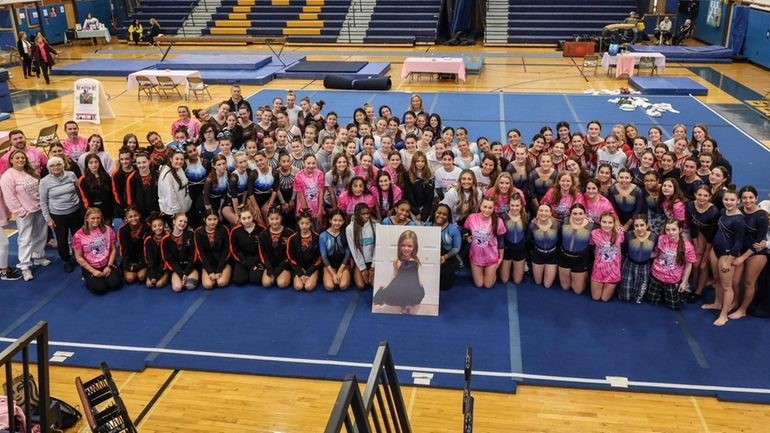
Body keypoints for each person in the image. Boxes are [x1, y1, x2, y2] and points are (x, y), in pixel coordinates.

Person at [1, 150, 50, 281]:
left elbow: (37, 188)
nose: (20, 160)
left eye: (22, 158)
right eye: (17, 158)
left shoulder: (29, 171)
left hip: (38, 209)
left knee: (40, 234)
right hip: (25, 213)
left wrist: (42, 204)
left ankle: (38, 256)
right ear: (11, 160)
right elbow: (9, 197)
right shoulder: (8, 176)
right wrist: (20, 211)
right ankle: (25, 266)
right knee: (25, 239)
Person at [729, 186, 768, 320]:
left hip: (757, 252)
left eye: (750, 197)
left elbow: (758, 242)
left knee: (749, 283)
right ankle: (734, 301)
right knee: (734, 281)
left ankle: (743, 309)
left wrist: (742, 258)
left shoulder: (761, 216)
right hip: (741, 250)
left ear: (756, 198)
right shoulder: (739, 211)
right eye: (744, 198)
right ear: (740, 199)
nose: (747, 200)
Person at [39, 156, 81, 273]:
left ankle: (79, 257)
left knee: (78, 237)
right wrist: (48, 219)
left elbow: (78, 190)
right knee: (62, 240)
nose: (56, 167)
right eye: (52, 166)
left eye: (58, 164)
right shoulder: (44, 181)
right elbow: (43, 202)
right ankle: (66, 261)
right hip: (57, 215)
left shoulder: (71, 175)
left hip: (75, 212)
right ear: (48, 168)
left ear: (63, 165)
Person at [645, 219, 697, 310]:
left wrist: (684, 282)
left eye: (674, 229)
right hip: (657, 275)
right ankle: (661, 293)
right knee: (651, 301)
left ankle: (673, 294)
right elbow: (657, 253)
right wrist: (644, 254)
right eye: (668, 230)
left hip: (672, 279)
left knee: (674, 306)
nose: (670, 232)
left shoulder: (687, 246)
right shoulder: (661, 238)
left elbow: (689, 265)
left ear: (680, 230)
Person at [373, 230, 426, 314]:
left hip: (412, 285)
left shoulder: (416, 260)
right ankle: (402, 306)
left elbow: (417, 273)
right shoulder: (397, 261)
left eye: (410, 246)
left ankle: (407, 306)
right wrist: (386, 284)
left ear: (415, 247)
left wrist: (421, 283)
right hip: (400, 285)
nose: (406, 248)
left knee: (415, 294)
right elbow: (394, 274)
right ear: (399, 246)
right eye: (403, 245)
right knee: (397, 293)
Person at [72, 208, 122, 294]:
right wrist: (93, 271)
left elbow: (113, 249)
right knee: (100, 289)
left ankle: (105, 276)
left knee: (115, 285)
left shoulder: (107, 230)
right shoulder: (78, 235)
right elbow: (78, 257)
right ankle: (87, 277)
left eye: (98, 218)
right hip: (91, 266)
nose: (96, 220)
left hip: (107, 263)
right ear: (87, 219)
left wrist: (109, 266)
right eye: (93, 218)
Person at [464, 197, 506, 289]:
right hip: (476, 256)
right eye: (485, 207)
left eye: (490, 208)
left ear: (494, 208)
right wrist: (467, 237)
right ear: (480, 206)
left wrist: (501, 258)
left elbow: (501, 241)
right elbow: (465, 230)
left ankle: (493, 274)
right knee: (479, 285)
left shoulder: (498, 221)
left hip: (491, 257)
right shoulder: (472, 218)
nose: (487, 210)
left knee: (488, 285)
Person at [618, 214, 656, 303]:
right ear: (633, 226)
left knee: (638, 298)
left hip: (644, 267)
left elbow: (658, 249)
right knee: (624, 297)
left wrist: (653, 255)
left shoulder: (654, 237)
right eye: (636, 225)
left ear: (647, 225)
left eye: (642, 225)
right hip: (629, 265)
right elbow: (623, 248)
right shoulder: (629, 235)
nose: (639, 228)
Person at [557, 204, 593, 294]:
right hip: (564, 256)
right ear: (570, 214)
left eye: (580, 214)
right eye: (575, 213)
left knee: (577, 291)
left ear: (585, 214)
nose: (578, 216)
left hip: (581, 259)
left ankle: (585, 277)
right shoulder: (565, 221)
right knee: (565, 287)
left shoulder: (591, 225)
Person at [589, 212, 624, 302]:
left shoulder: (619, 233)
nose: (607, 225)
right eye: (604, 222)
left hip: (613, 271)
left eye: (610, 222)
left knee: (604, 299)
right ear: (600, 222)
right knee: (595, 298)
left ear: (613, 223)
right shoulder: (594, 233)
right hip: (598, 269)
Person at [194, 210, 232, 290]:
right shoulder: (198, 232)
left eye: (215, 219)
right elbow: (201, 254)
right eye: (209, 219)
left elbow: (226, 251)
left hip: (222, 262)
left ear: (218, 219)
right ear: (204, 220)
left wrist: (219, 269)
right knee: (208, 285)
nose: (212, 222)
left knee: (221, 283)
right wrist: (209, 271)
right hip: (208, 263)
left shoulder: (224, 229)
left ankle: (228, 271)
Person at [162, 212, 198, 292]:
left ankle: (191, 276)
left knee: (190, 285)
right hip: (177, 268)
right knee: (177, 288)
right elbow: (169, 259)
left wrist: (187, 272)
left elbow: (194, 256)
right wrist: (181, 274)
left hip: (190, 267)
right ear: (174, 221)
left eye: (185, 222)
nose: (183, 223)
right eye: (180, 221)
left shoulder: (191, 235)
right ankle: (179, 278)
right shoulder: (166, 240)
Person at [258, 206, 293, 288]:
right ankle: (273, 274)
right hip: (270, 264)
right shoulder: (263, 234)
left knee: (281, 284)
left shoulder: (289, 233)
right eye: (272, 219)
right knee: (266, 284)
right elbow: (262, 253)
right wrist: (269, 268)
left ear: (281, 218)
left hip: (284, 264)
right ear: (268, 219)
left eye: (277, 219)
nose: (274, 222)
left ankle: (288, 274)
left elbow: (290, 254)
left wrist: (278, 270)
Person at [286, 210, 321, 291]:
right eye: (302, 223)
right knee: (298, 287)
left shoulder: (317, 237)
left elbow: (319, 257)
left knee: (308, 287)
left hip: (312, 267)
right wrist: (300, 273)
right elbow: (290, 257)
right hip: (299, 267)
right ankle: (296, 276)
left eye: (307, 223)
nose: (304, 226)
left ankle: (315, 275)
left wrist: (309, 272)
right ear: (298, 223)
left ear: (311, 223)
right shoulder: (292, 238)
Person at [77, 153, 114, 225]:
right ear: (87, 165)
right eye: (91, 163)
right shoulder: (82, 180)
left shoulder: (106, 176)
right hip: (93, 212)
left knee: (106, 231)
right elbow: (84, 199)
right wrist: (91, 212)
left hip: (107, 210)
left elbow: (111, 194)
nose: (94, 165)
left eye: (96, 162)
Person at [347, 203, 376, 290]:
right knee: (361, 286)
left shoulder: (375, 225)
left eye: (367, 213)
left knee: (374, 285)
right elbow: (354, 250)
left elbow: (377, 248)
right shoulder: (350, 228)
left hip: (373, 261)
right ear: (357, 214)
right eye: (363, 214)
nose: (366, 216)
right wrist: (363, 269)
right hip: (360, 261)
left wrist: (372, 267)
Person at [229, 208, 262, 286]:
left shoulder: (261, 230)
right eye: (243, 218)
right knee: (239, 281)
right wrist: (245, 262)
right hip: (242, 260)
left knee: (256, 280)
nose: (247, 221)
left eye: (249, 217)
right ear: (240, 219)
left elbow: (264, 249)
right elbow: (234, 250)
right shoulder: (235, 231)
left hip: (257, 260)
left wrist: (255, 261)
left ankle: (253, 273)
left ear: (252, 217)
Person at [320, 209, 351, 291]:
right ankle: (329, 273)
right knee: (329, 287)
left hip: (343, 265)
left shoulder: (346, 234)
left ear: (344, 221)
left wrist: (340, 271)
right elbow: (324, 257)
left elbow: (348, 254)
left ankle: (346, 273)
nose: (337, 223)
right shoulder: (323, 236)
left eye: (340, 220)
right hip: (330, 265)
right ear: (330, 220)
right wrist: (333, 274)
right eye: (335, 220)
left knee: (343, 285)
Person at [499, 194, 527, 285]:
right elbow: (500, 236)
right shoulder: (503, 217)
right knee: (504, 280)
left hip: (520, 251)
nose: (515, 208)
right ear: (509, 205)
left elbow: (526, 235)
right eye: (512, 205)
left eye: (517, 206)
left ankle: (522, 264)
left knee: (517, 281)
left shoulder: (525, 217)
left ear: (521, 206)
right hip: (507, 251)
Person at [117, 206, 150, 284]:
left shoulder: (146, 227)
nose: (133, 218)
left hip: (143, 259)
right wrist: (127, 266)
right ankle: (133, 270)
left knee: (141, 277)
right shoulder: (122, 230)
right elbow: (123, 250)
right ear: (126, 219)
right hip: (130, 260)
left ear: (140, 215)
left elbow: (147, 248)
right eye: (130, 217)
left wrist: (141, 265)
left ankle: (141, 270)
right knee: (130, 279)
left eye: (135, 216)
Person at [158, 152, 192, 220]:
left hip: (183, 207)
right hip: (174, 212)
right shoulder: (166, 175)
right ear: (171, 159)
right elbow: (170, 196)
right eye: (177, 159)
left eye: (182, 159)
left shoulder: (179, 169)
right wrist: (177, 213)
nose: (179, 161)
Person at [144, 212, 170, 289]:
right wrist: (152, 275)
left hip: (165, 267)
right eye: (154, 226)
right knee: (149, 284)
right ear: (151, 227)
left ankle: (167, 275)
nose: (157, 228)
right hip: (153, 266)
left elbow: (166, 259)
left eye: (160, 225)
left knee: (159, 284)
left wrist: (158, 275)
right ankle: (152, 276)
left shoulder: (168, 238)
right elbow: (149, 259)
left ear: (164, 225)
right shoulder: (148, 240)